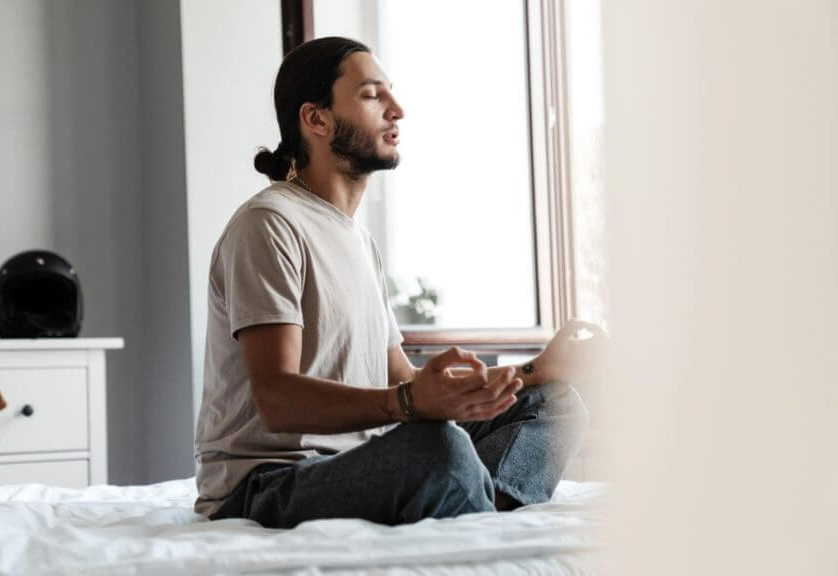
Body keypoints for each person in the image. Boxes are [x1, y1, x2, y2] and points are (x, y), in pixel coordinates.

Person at [194, 36, 601, 528]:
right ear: (316, 119)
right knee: (440, 450)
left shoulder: (360, 242)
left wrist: (538, 369)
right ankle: (473, 496)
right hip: (267, 483)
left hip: (358, 462)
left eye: (391, 93)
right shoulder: (269, 224)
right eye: (372, 95)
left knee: (553, 405)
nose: (397, 110)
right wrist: (404, 406)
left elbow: (404, 380)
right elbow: (278, 400)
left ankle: (480, 503)